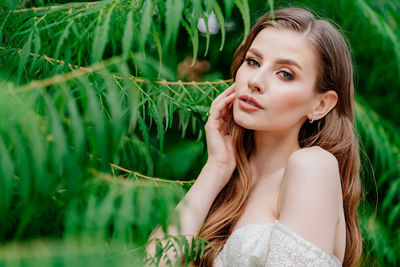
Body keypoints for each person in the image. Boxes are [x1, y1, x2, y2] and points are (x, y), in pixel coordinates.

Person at [147, 7, 363, 267]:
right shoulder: (229, 185)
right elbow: (152, 262)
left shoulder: (313, 166)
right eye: (253, 62)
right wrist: (215, 168)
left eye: (286, 74)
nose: (256, 80)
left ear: (320, 105)